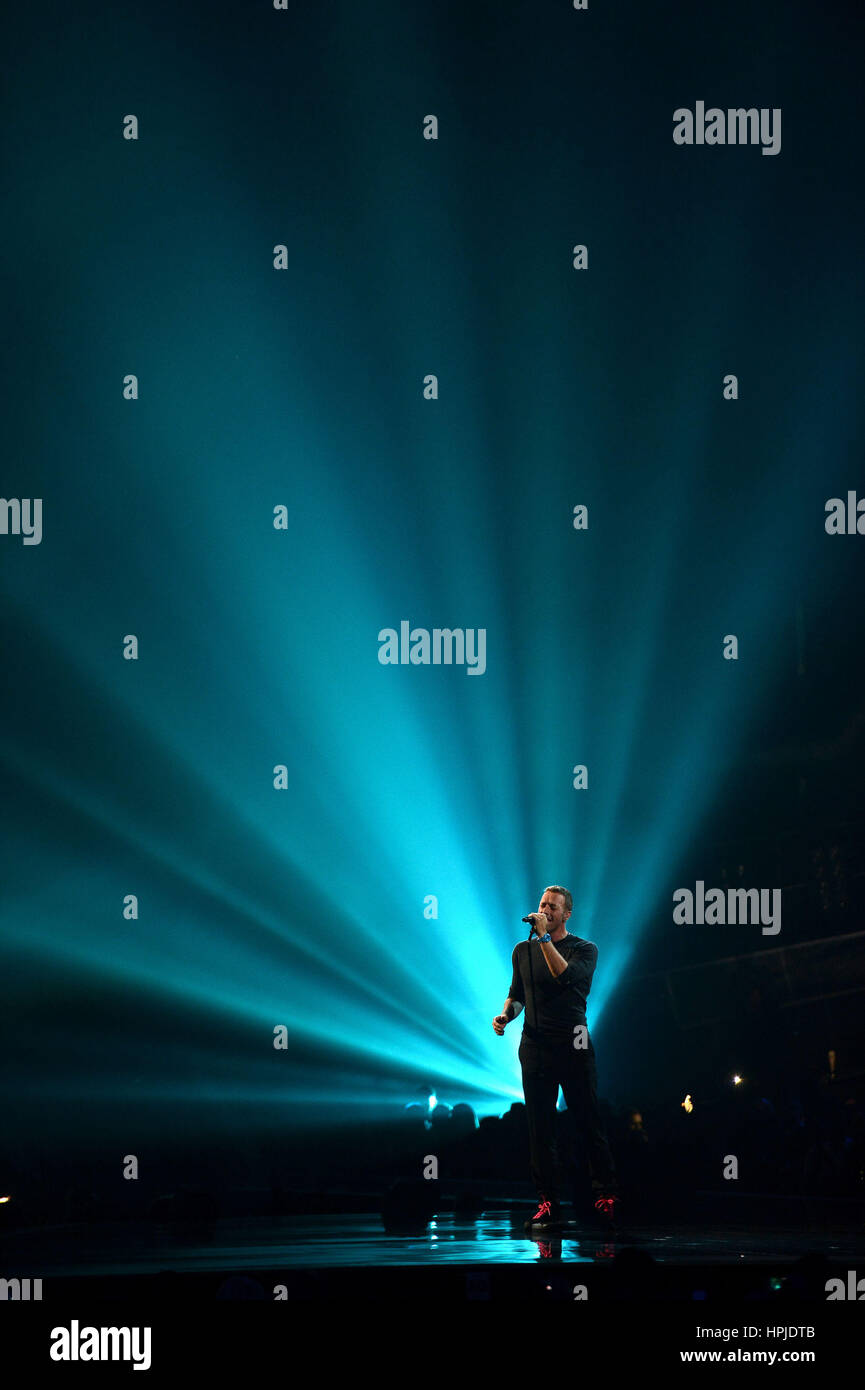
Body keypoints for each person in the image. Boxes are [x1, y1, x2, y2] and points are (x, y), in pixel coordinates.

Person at [493, 885, 620, 1234]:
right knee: (540, 1129)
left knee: (587, 1120)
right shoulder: (523, 950)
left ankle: (604, 1195)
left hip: (573, 1044)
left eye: (553, 907)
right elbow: (517, 995)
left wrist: (545, 940)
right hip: (534, 1046)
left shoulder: (584, 950)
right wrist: (506, 1015)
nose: (545, 910)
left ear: (566, 915)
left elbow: (564, 977)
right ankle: (547, 1202)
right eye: (542, 904)